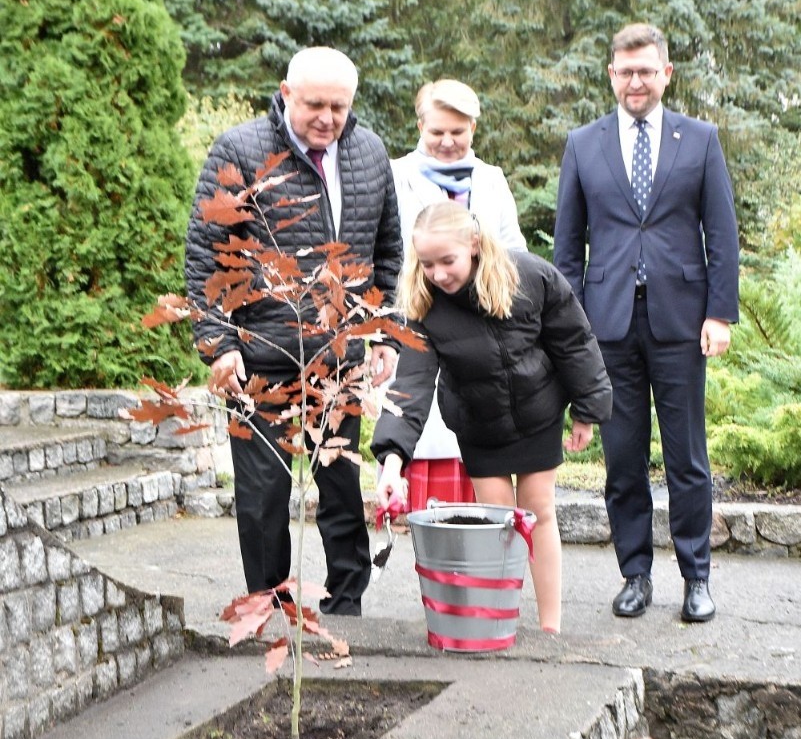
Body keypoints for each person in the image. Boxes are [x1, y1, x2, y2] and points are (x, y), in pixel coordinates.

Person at [185, 46, 402, 615]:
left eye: (339, 106)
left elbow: (388, 252)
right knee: (262, 496)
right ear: (286, 93)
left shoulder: (370, 153)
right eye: (314, 105)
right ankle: (269, 603)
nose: (328, 118)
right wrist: (219, 343)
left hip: (339, 356)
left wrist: (382, 332)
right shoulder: (239, 150)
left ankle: (347, 601)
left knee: (338, 487)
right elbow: (206, 256)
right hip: (262, 356)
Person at [553, 22, 739, 623]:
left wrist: (719, 313)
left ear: (666, 74)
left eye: (646, 70)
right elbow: (567, 248)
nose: (636, 80)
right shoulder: (584, 144)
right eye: (625, 71)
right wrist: (572, 328)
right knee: (623, 458)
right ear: (612, 74)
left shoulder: (701, 139)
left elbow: (722, 235)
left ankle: (697, 577)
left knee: (687, 458)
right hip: (606, 327)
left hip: (683, 324)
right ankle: (635, 573)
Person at [372, 201, 612, 633]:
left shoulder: (530, 276)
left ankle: (550, 627)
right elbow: (410, 387)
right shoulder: (424, 308)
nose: (438, 274)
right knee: (499, 522)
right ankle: (501, 621)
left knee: (538, 512)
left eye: (448, 261)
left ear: (475, 245)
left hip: (537, 411)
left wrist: (587, 410)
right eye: (427, 264)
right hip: (479, 423)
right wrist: (392, 460)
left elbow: (574, 342)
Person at [390, 79, 528, 509]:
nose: (448, 142)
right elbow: (384, 252)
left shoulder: (490, 179)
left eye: (458, 131)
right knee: (427, 440)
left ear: (473, 127)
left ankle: (482, 569)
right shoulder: (396, 177)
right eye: (436, 132)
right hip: (422, 324)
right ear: (419, 126)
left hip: (485, 334)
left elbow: (515, 251)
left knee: (483, 454)